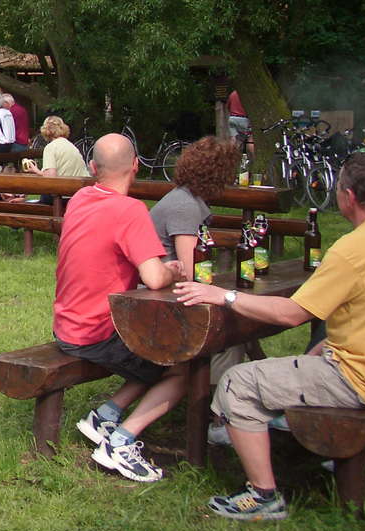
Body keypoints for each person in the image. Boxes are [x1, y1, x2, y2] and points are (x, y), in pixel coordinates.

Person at [174, 153, 365, 520]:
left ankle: (264, 495)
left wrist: (225, 296)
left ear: (348, 197)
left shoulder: (353, 249)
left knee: (237, 382)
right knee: (310, 354)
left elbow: (292, 313)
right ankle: (284, 427)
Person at [54, 133, 187, 483]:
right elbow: (154, 278)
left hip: (67, 323)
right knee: (181, 364)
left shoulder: (80, 198)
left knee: (155, 352)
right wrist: (173, 270)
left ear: (93, 168)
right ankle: (121, 442)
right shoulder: (130, 211)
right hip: (96, 332)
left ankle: (106, 415)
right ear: (136, 166)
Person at [149, 136, 239, 275]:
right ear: (220, 175)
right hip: (160, 290)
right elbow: (193, 272)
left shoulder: (183, 196)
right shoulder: (186, 207)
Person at [24, 115, 89, 180]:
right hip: (81, 186)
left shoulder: (51, 148)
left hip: (66, 187)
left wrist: (36, 170)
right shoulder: (70, 145)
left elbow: (50, 176)